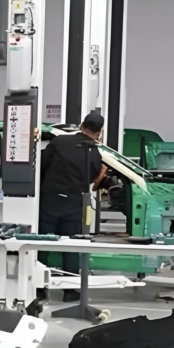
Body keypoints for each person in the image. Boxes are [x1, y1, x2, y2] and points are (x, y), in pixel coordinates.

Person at [39, 112, 107, 290]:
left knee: (40, 244)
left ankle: (38, 289)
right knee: (71, 247)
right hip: (74, 204)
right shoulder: (95, 154)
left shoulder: (59, 142)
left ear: (82, 124)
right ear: (99, 131)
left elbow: (43, 166)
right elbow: (91, 179)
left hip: (50, 200)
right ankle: (71, 291)